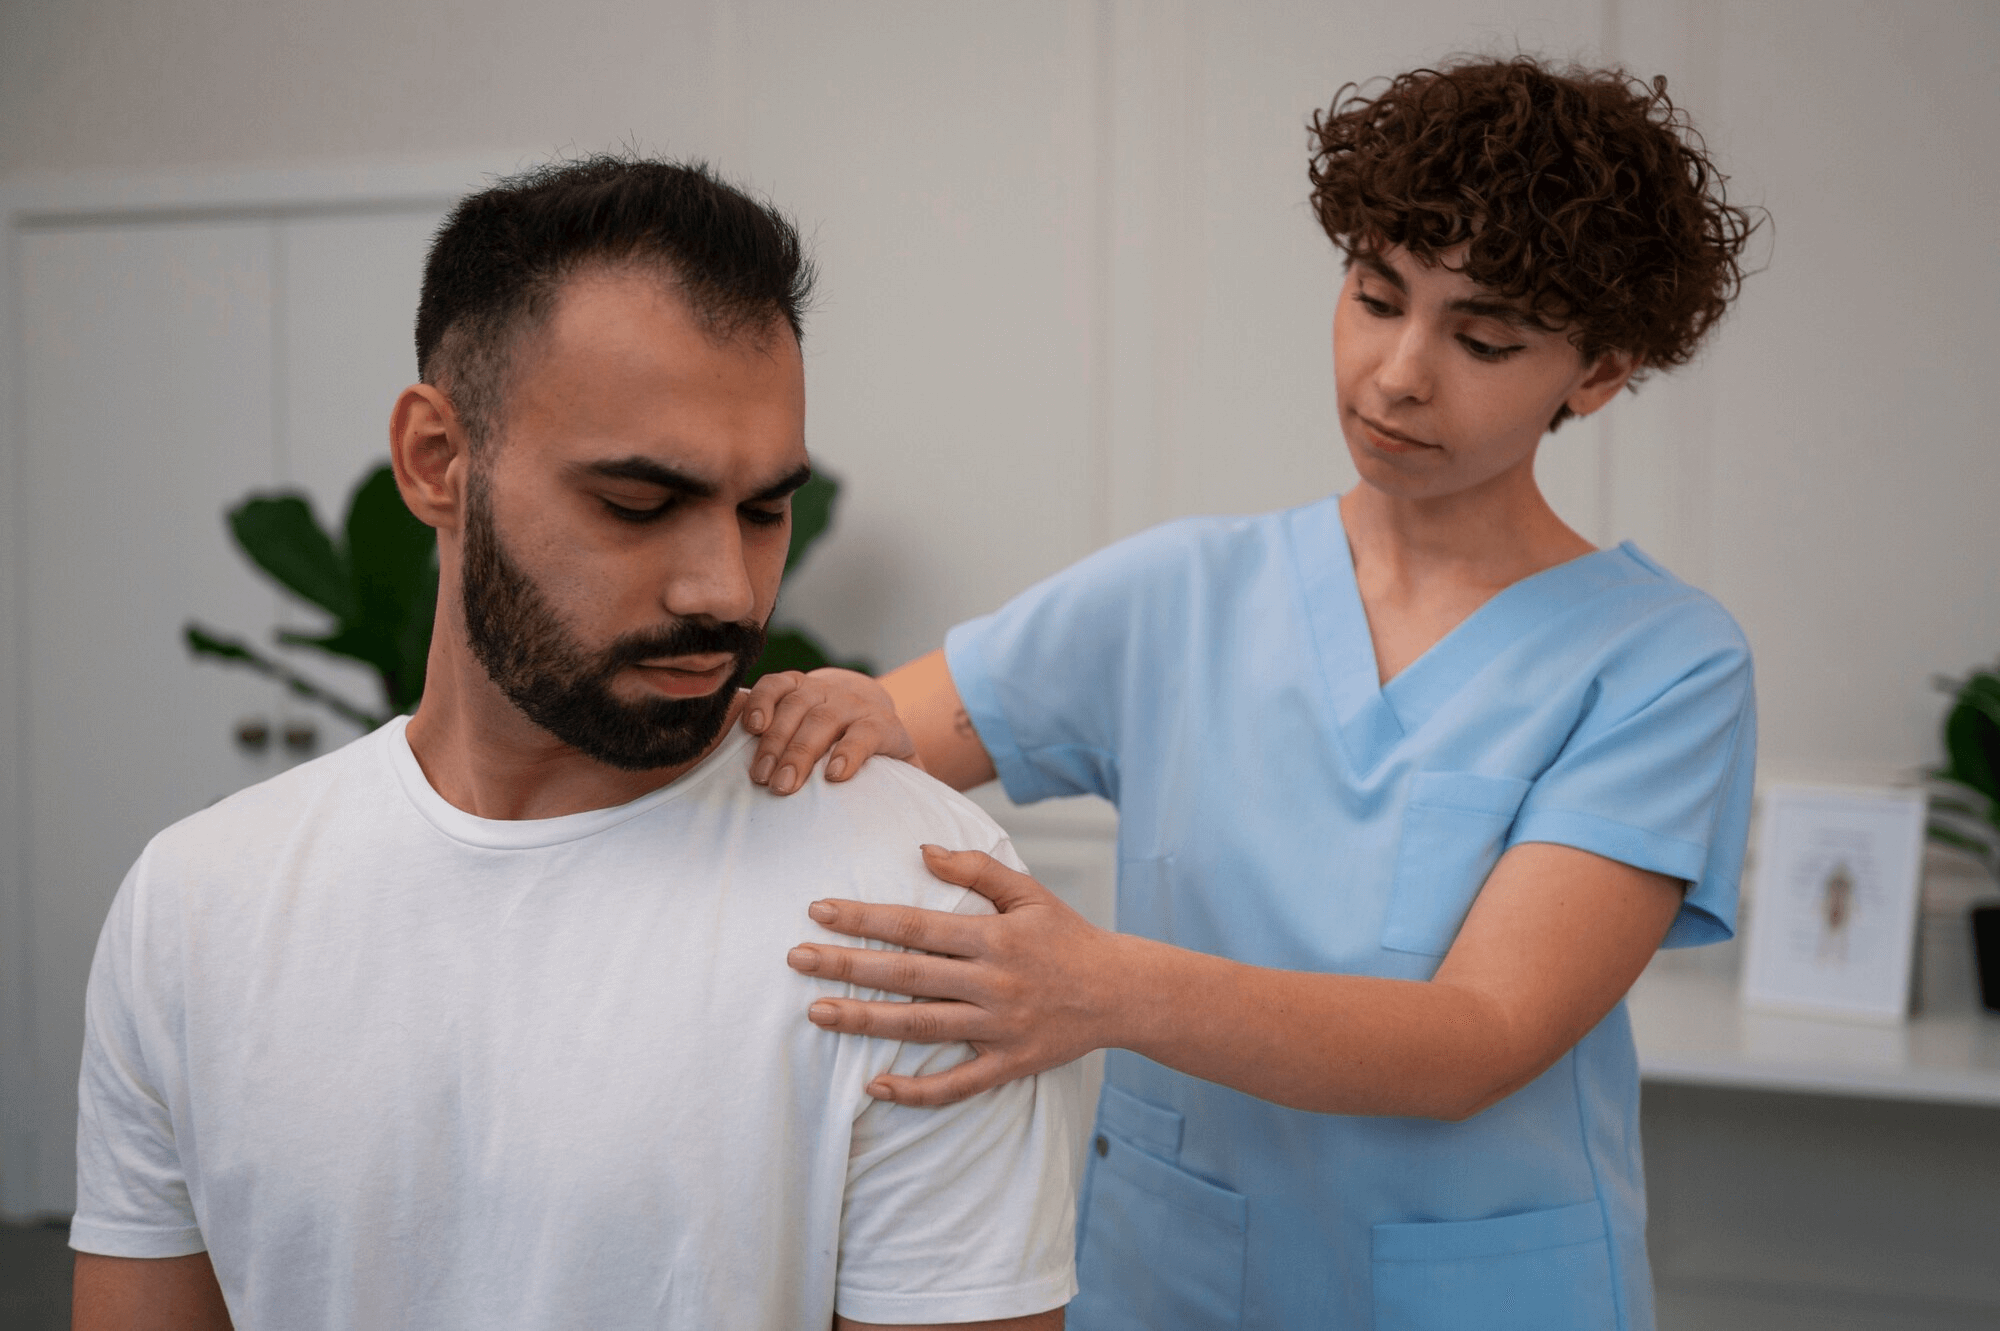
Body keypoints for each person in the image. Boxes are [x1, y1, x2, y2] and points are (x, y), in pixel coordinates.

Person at [744, 58, 1760, 1329]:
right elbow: (872, 736)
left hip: (1484, 1292)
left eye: (1482, 336)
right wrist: (821, 704)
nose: (1396, 372)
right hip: (1169, 1279)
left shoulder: (1663, 663)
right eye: (1374, 296)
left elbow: (1481, 1033)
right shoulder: (1178, 592)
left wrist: (1101, 988)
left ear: (1599, 371)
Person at [69, 157, 1077, 1331]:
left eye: (763, 509)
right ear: (437, 462)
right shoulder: (196, 903)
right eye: (638, 505)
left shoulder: (913, 905)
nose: (727, 588)